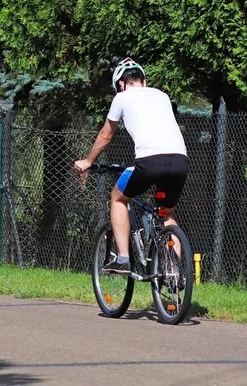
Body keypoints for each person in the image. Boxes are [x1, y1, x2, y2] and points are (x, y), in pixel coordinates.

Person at [73, 57, 188, 274]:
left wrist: (88, 161)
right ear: (143, 81)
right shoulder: (162, 96)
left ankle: (123, 258)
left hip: (149, 162)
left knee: (118, 197)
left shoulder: (122, 97)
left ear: (120, 84)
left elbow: (106, 135)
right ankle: (173, 270)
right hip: (179, 161)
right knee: (166, 213)